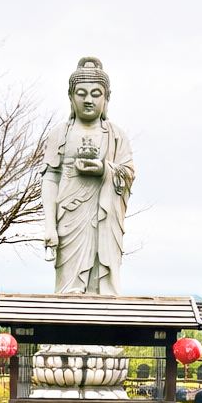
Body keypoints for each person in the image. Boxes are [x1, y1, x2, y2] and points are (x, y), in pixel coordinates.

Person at [41, 57, 135, 294]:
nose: (89, 100)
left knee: (102, 284)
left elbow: (129, 173)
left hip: (104, 217)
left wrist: (105, 169)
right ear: (71, 97)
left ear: (107, 98)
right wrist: (50, 226)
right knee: (67, 289)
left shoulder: (116, 135)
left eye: (96, 93)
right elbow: (50, 178)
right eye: (81, 93)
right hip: (70, 217)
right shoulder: (60, 134)